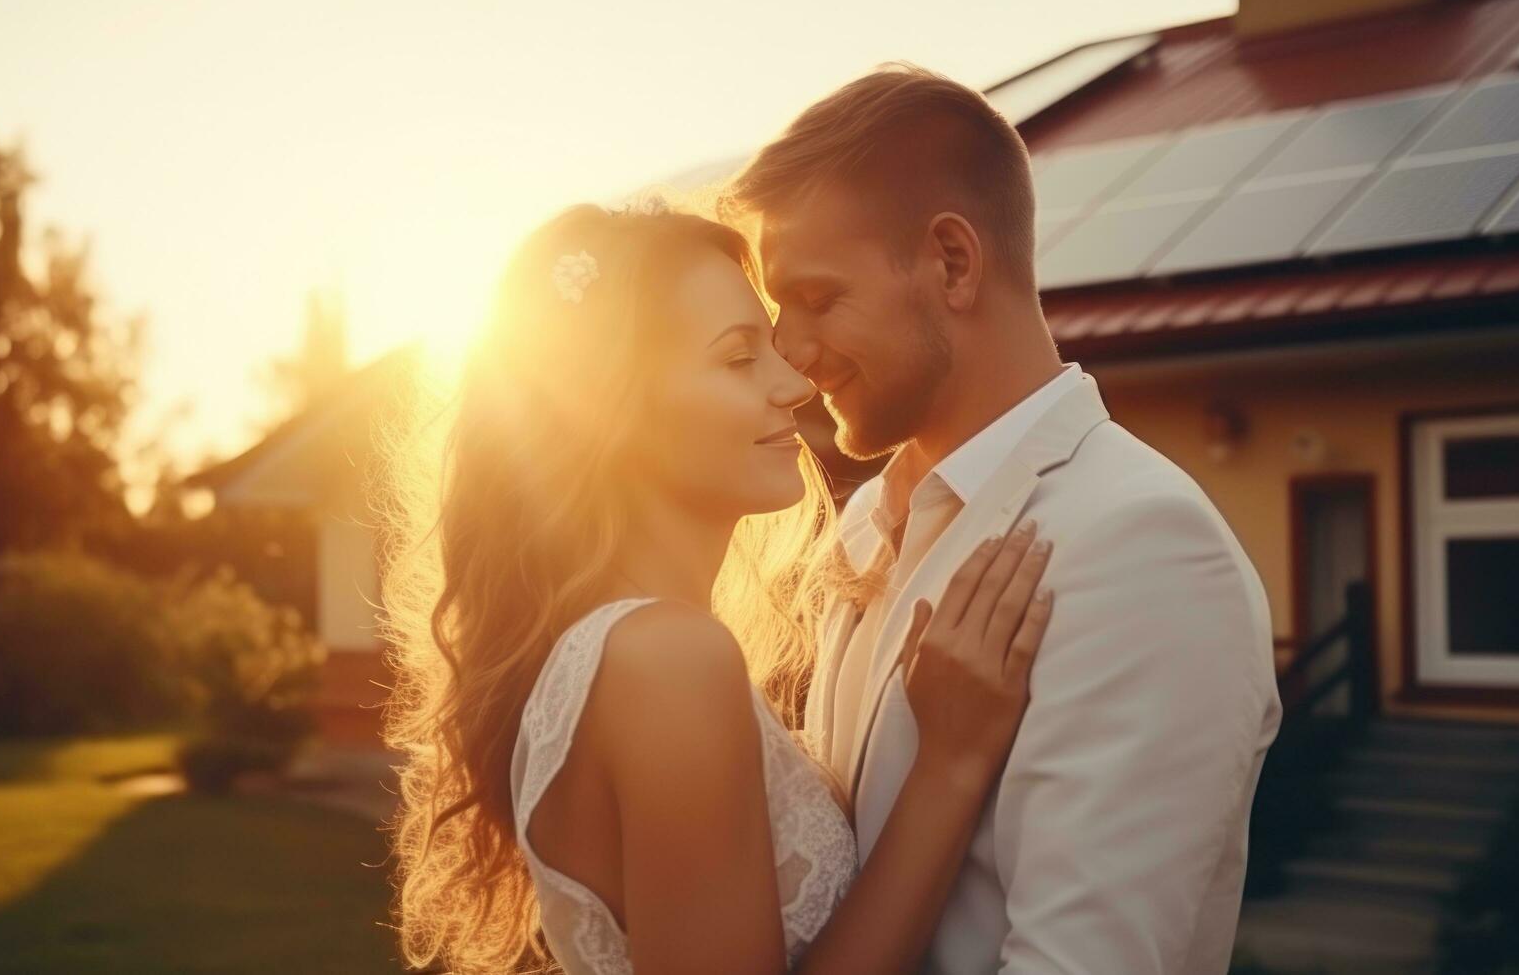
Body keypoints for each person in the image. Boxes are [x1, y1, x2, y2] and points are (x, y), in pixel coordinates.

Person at [379, 202, 1057, 974]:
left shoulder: (626, 649)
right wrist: (949, 766)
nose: (793, 384)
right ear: (608, 412)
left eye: (771, 348)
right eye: (739, 359)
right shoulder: (664, 660)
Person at [723, 62, 1282, 975]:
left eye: (818, 299)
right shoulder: (866, 522)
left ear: (952, 261)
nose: (790, 351)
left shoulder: (1138, 545)